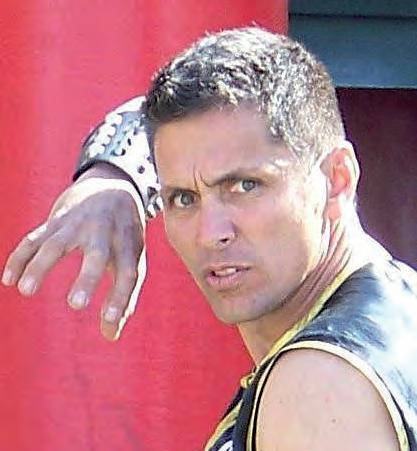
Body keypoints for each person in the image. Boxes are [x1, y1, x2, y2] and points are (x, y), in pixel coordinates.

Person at [2, 27, 417, 450]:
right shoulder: (393, 311)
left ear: (337, 179)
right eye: (183, 198)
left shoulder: (320, 382)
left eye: (246, 186)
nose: (211, 233)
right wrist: (114, 173)